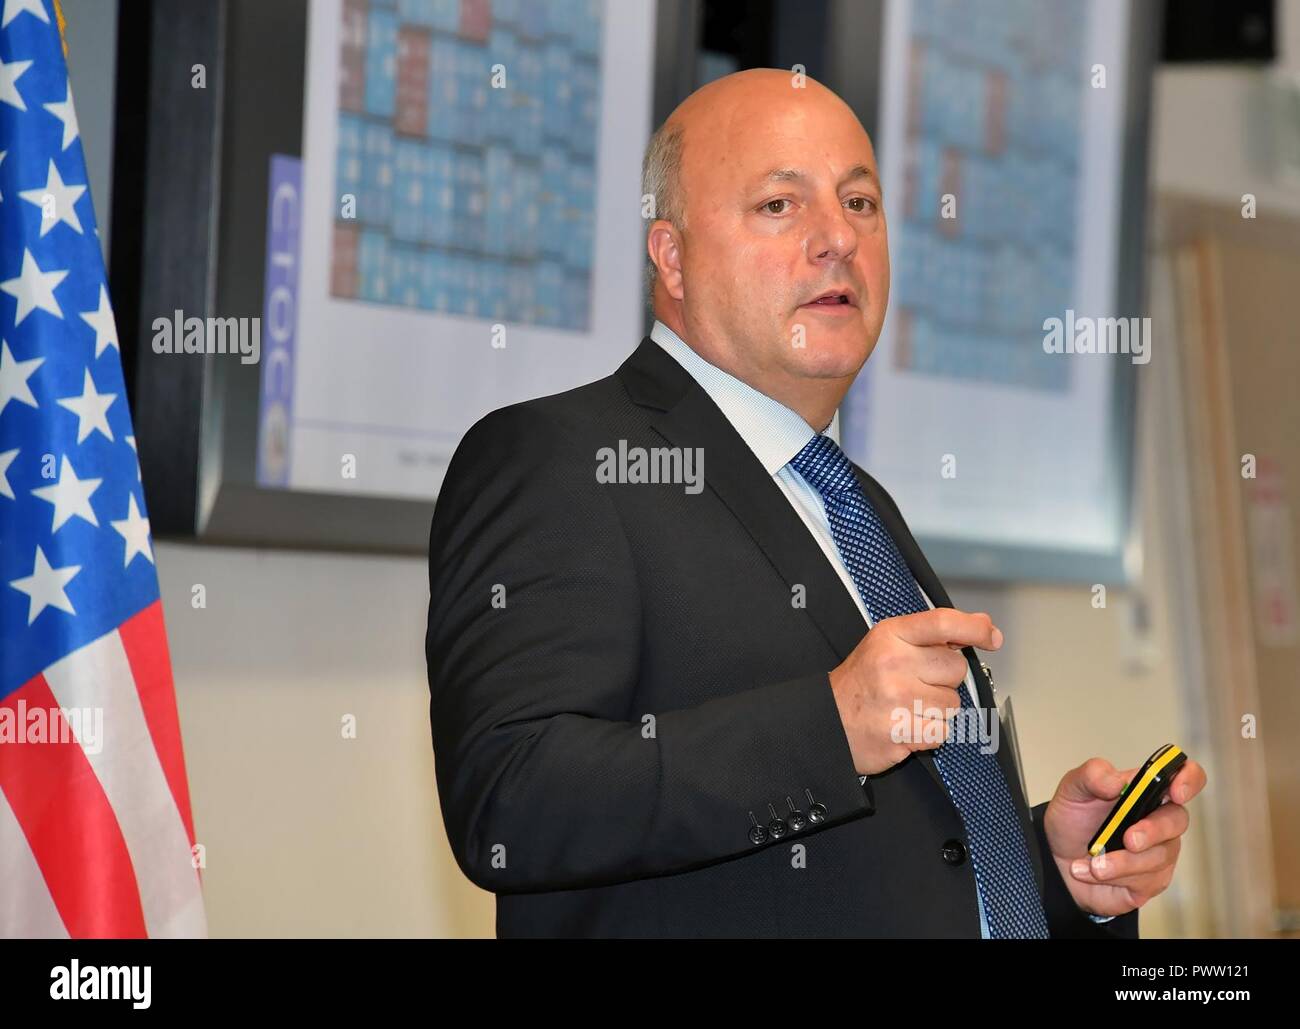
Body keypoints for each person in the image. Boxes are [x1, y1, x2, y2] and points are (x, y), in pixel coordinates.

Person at [425, 68, 1205, 938]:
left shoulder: (850, 499)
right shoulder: (560, 458)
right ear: (672, 256)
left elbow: (874, 863)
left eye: (862, 204)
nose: (838, 238)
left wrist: (1050, 872)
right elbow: (509, 800)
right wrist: (829, 727)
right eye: (779, 205)